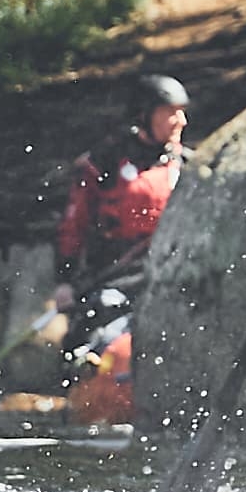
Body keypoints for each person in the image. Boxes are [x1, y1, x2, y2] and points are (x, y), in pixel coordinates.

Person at [52, 74, 192, 316]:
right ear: (144, 114)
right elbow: (74, 223)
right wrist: (64, 280)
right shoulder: (105, 162)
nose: (181, 121)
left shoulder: (187, 164)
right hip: (113, 277)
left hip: (170, 275)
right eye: (170, 112)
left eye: (181, 112)